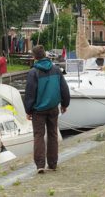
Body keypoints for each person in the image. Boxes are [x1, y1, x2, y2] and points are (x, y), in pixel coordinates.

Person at [24, 45, 70, 174]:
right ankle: (53, 164)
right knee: (53, 135)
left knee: (39, 135)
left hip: (38, 110)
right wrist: (64, 104)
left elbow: (30, 93)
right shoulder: (56, 70)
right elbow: (64, 89)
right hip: (53, 108)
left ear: (34, 57)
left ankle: (40, 165)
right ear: (45, 55)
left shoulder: (33, 72)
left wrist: (28, 110)